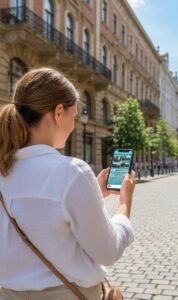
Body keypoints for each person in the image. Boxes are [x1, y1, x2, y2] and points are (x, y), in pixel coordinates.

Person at [0, 68, 135, 299]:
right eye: (75, 115)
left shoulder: (5, 166)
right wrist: (125, 202)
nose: (75, 124)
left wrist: (93, 195)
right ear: (58, 112)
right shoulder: (72, 171)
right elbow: (108, 251)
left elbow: (36, 213)